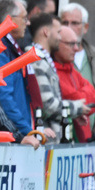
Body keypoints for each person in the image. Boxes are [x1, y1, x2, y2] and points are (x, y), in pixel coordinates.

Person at [59, 2, 95, 134]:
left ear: (85, 27)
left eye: (75, 23)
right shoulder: (55, 56)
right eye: (65, 23)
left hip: (90, 137)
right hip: (63, 133)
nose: (69, 27)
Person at [0, 0, 34, 136]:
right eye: (24, 18)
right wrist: (26, 131)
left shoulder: (9, 46)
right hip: (12, 135)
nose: (28, 23)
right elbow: (4, 97)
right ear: (10, 19)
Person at [25, 13, 69, 144]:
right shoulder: (35, 60)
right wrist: (78, 107)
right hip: (44, 139)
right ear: (46, 32)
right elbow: (48, 105)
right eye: (58, 32)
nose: (60, 37)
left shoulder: (43, 59)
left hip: (51, 137)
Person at [53, 24, 95, 142]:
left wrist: (79, 101)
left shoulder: (71, 70)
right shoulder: (53, 72)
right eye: (70, 44)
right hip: (62, 142)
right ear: (56, 42)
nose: (76, 48)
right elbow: (75, 98)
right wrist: (80, 100)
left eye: (77, 43)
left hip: (82, 142)